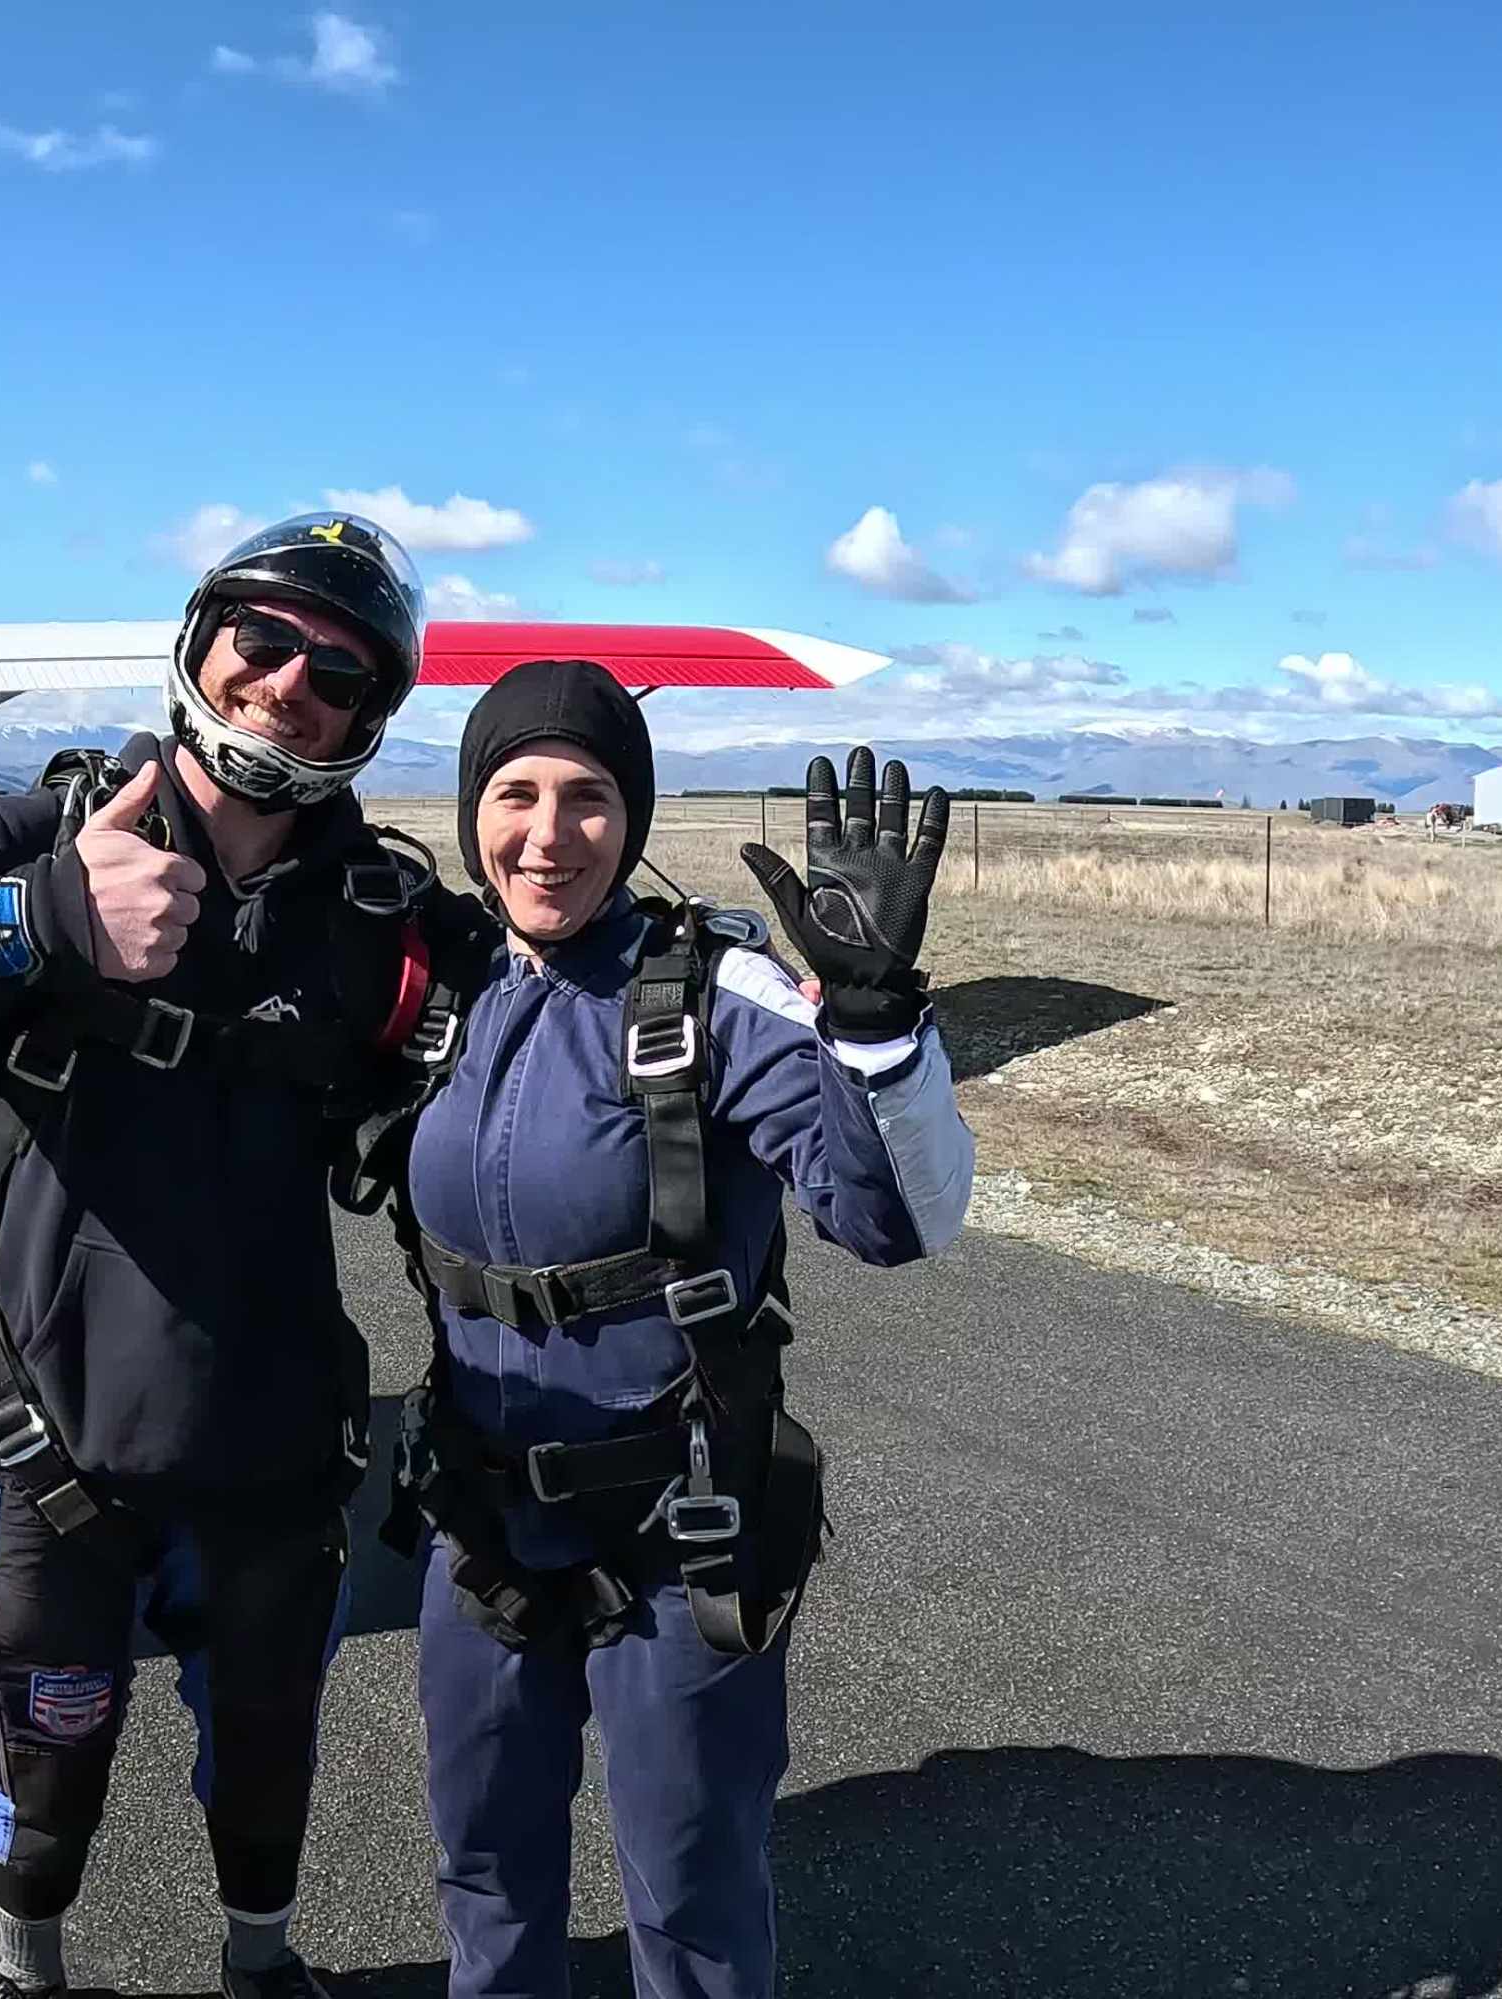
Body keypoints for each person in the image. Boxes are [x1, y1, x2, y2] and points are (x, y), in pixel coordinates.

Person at [0, 512, 451, 1999]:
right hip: (47, 1432)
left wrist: (792, 1009)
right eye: (262, 640)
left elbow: (558, 1000)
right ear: (204, 643)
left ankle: (262, 1968)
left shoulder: (377, 911)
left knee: (268, 1752)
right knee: (42, 1771)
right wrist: (46, 918)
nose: (288, 684)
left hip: (270, 1439)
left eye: (338, 672)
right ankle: (29, 1971)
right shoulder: (44, 834)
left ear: (370, 716)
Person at [369, 658, 976, 1999]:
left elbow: (895, 1220)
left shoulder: (710, 993)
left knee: (690, 1893)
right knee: (484, 1867)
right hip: (479, 1523)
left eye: (588, 796)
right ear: (470, 812)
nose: (550, 834)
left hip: (677, 1536)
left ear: (633, 817)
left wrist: (875, 1028)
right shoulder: (444, 993)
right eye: (516, 795)